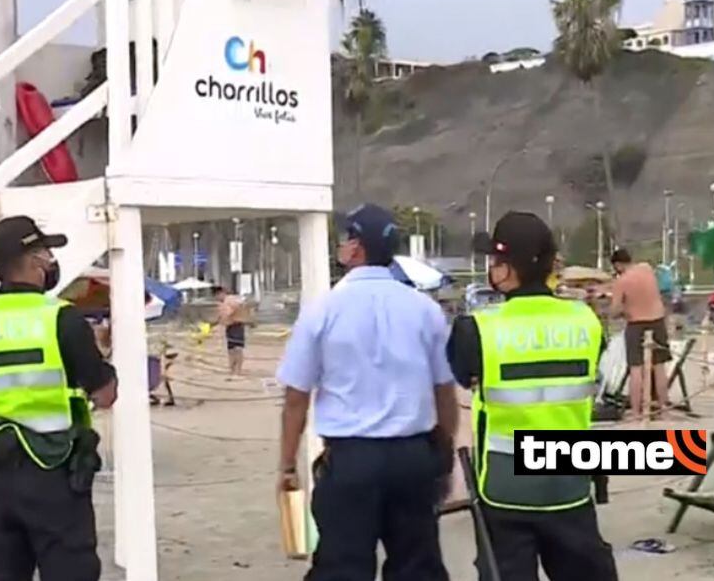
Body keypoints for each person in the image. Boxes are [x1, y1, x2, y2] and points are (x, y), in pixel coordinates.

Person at [277, 203, 457, 581]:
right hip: (412, 455)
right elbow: (444, 390)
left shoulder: (322, 310)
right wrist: (441, 450)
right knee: (417, 566)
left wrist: (287, 465)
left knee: (342, 567)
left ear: (356, 248)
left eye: (345, 240)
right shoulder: (424, 310)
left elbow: (296, 398)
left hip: (352, 459)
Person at [447, 211, 617, 581]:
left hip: (504, 488)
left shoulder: (477, 328)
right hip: (569, 482)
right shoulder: (586, 321)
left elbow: (465, 376)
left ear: (508, 269)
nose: (492, 268)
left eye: (495, 261)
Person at [0, 216, 117, 581]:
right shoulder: (60, 318)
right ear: (33, 261)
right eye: (46, 252)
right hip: (54, 467)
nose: (51, 261)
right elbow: (104, 393)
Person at [609, 248, 672, 418]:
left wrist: (622, 310)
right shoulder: (646, 268)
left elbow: (615, 310)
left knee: (636, 368)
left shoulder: (621, 281)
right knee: (659, 367)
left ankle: (637, 411)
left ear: (618, 265)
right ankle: (663, 406)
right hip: (657, 319)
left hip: (636, 323)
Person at [212, 285, 248, 376]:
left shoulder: (231, 300)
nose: (216, 298)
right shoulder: (222, 303)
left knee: (237, 349)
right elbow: (221, 316)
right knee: (231, 349)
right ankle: (232, 369)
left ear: (221, 293)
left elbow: (235, 309)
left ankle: (238, 370)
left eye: (217, 296)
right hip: (229, 327)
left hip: (237, 326)